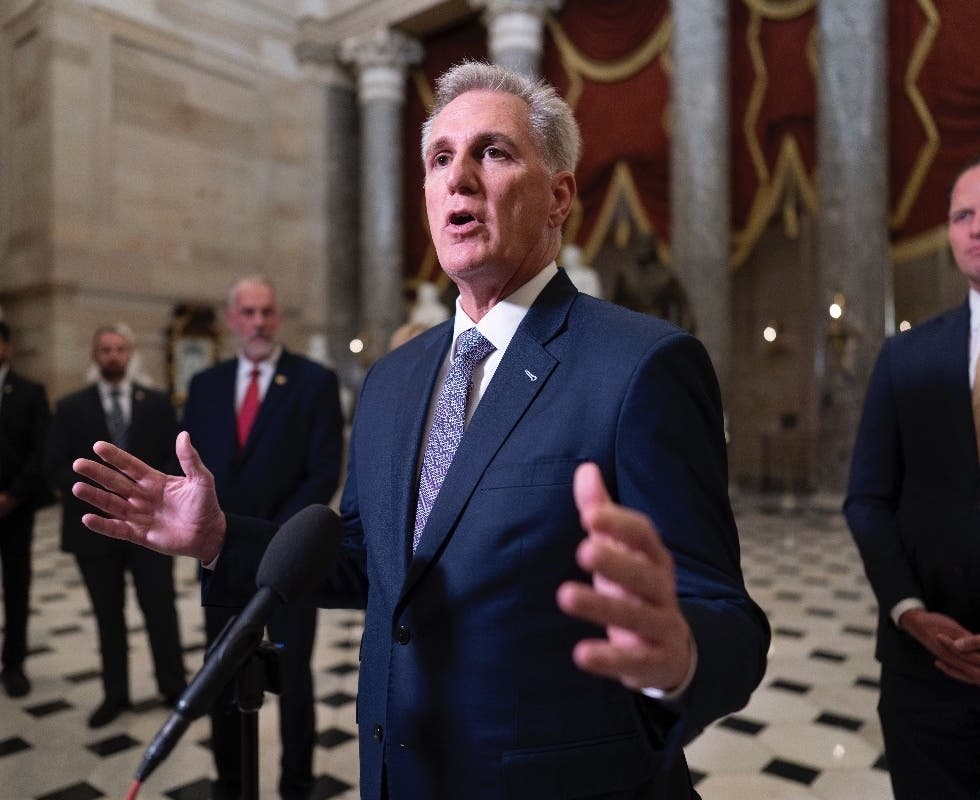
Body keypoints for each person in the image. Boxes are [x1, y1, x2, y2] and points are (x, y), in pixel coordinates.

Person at [71, 61, 769, 799]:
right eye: (440, 159)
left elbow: (729, 618)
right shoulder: (393, 379)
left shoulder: (643, 366)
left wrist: (680, 657)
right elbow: (371, 560)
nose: (459, 178)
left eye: (493, 153)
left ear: (560, 195)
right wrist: (220, 538)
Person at [844, 150, 980, 799]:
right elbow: (868, 499)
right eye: (962, 215)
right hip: (923, 670)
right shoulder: (908, 354)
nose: (978, 227)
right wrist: (909, 611)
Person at [182, 275, 343, 800]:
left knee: (294, 677)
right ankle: (230, 785)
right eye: (248, 312)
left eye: (267, 312)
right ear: (232, 319)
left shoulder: (314, 381)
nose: (258, 322)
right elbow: (188, 470)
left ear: (278, 317)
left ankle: (296, 786)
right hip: (221, 560)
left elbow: (323, 472)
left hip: (290, 558)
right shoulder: (206, 386)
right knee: (222, 674)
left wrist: (273, 541)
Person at [45, 324, 187, 728]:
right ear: (95, 356)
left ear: (131, 354)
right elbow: (55, 464)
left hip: (150, 531)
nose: (112, 355)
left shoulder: (157, 404)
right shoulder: (72, 407)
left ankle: (173, 687)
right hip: (95, 531)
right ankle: (115, 694)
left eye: (119, 349)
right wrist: (93, 497)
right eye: (105, 349)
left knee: (160, 608)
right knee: (108, 615)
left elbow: (173, 464)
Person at [0, 321, 51, 698]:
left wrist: (12, 494)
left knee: (17, 587)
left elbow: (41, 450)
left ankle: (14, 663)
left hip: (15, 508)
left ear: (8, 346)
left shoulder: (30, 392)